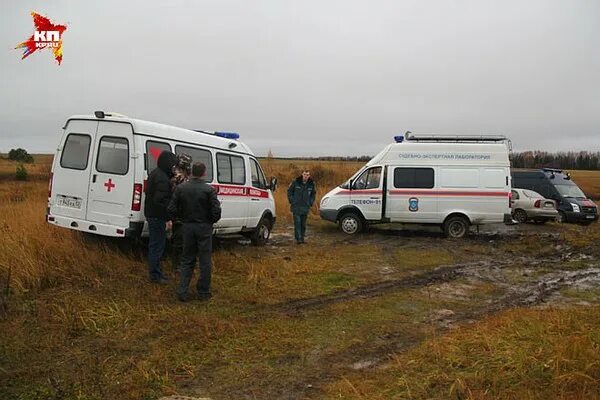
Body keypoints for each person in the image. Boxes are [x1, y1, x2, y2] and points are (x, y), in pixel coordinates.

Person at [167, 162, 222, 302]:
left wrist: (179, 218)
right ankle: (203, 292)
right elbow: (216, 211)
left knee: (187, 259)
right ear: (203, 173)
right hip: (204, 227)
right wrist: (210, 221)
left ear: (191, 172)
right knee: (204, 260)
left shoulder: (180, 188)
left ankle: (182, 291)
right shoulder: (209, 190)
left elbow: (171, 209)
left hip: (187, 227)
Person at [144, 150, 178, 284]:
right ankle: (155, 275)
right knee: (157, 246)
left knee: (156, 245)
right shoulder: (162, 178)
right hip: (157, 216)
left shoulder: (157, 174)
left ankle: (156, 272)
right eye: (172, 164)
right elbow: (161, 200)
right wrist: (168, 216)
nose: (174, 167)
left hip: (153, 214)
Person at [170, 153, 192, 273]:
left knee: (181, 242)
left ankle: (179, 264)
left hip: (182, 215)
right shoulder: (177, 179)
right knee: (179, 243)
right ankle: (177, 266)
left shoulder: (182, 177)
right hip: (179, 215)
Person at [287, 169, 316, 244]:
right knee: (297, 222)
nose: (306, 176)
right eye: (304, 174)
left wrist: (311, 202)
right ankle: (298, 239)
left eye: (307, 175)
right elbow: (289, 191)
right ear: (302, 175)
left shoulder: (311, 184)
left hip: (305, 207)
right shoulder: (295, 182)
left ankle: (302, 238)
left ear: (309, 176)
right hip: (296, 206)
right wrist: (292, 200)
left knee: (303, 224)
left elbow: (313, 194)